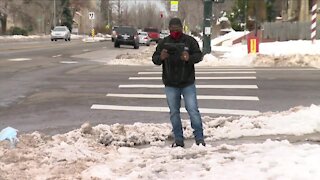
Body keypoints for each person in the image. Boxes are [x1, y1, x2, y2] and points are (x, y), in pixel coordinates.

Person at [152, 17, 205, 147]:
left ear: (181, 28)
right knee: (174, 113)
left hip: (187, 82)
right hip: (170, 84)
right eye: (172, 28)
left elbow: (199, 55)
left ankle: (199, 139)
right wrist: (161, 57)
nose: (175, 31)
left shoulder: (190, 41)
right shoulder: (164, 43)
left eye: (177, 28)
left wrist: (189, 58)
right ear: (169, 29)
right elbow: (155, 59)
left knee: (193, 110)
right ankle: (179, 140)